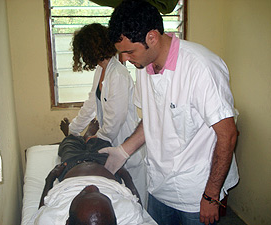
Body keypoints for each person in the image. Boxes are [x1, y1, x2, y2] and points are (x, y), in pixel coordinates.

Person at [99, 1, 239, 225]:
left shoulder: (200, 67)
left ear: (152, 38)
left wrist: (211, 196)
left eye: (128, 51)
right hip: (159, 187)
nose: (124, 59)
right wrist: (123, 151)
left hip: (197, 192)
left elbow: (228, 134)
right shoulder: (143, 66)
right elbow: (153, 120)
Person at [60, 23, 147, 206]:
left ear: (92, 49)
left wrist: (93, 141)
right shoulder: (102, 70)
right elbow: (92, 102)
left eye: (83, 51)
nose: (82, 56)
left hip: (126, 145)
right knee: (116, 197)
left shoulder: (119, 75)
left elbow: (114, 122)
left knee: (136, 201)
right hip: (110, 143)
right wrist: (73, 130)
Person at [28, 120, 156, 225]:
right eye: (99, 193)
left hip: (71, 166)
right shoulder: (127, 214)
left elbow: (40, 211)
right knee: (100, 141)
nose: (91, 186)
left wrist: (50, 178)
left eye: (83, 193)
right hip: (105, 165)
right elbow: (137, 205)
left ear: (67, 222)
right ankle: (89, 136)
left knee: (67, 145)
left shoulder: (52, 219)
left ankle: (70, 135)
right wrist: (125, 175)